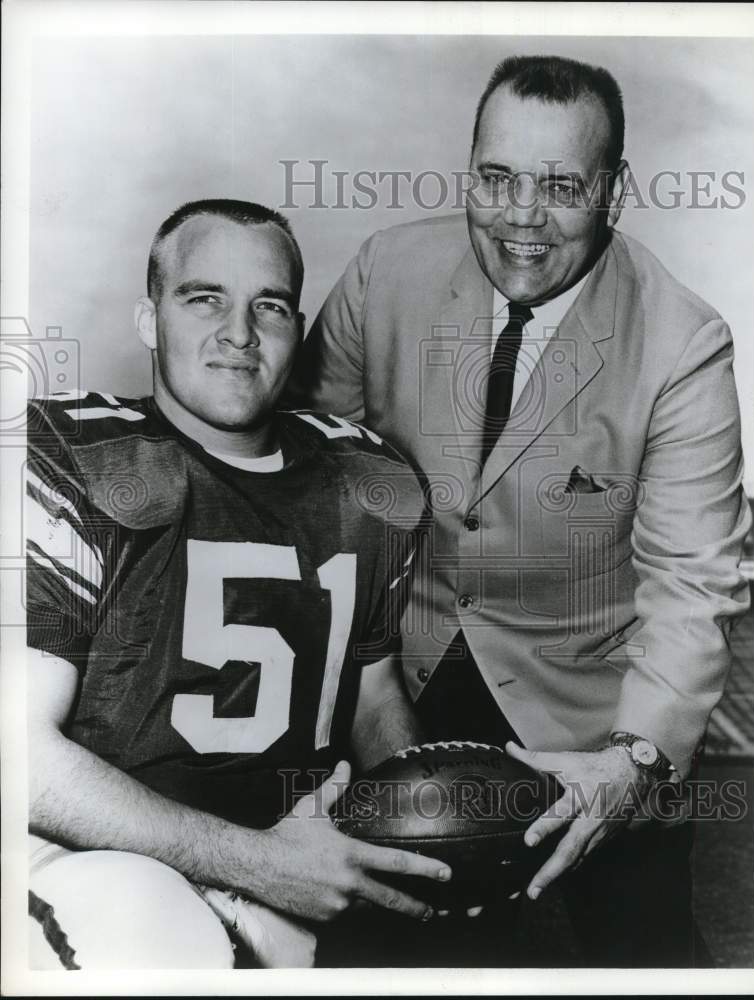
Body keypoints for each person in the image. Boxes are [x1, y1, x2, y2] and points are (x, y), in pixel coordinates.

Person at [285, 55, 752, 966]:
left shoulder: (684, 342)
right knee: (376, 956)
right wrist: (351, 680)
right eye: (495, 178)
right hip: (401, 666)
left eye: (560, 186)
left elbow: (693, 584)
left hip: (593, 703)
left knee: (649, 956)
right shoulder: (388, 270)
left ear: (613, 192)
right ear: (467, 167)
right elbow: (308, 474)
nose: (521, 218)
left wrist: (635, 762)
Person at [26, 199, 452, 970]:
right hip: (94, 859)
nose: (239, 333)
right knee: (141, 926)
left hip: (300, 854)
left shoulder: (367, 478)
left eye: (271, 307)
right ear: (150, 318)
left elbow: (373, 693)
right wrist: (254, 863)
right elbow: (16, 761)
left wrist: (425, 823)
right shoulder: (65, 456)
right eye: (204, 298)